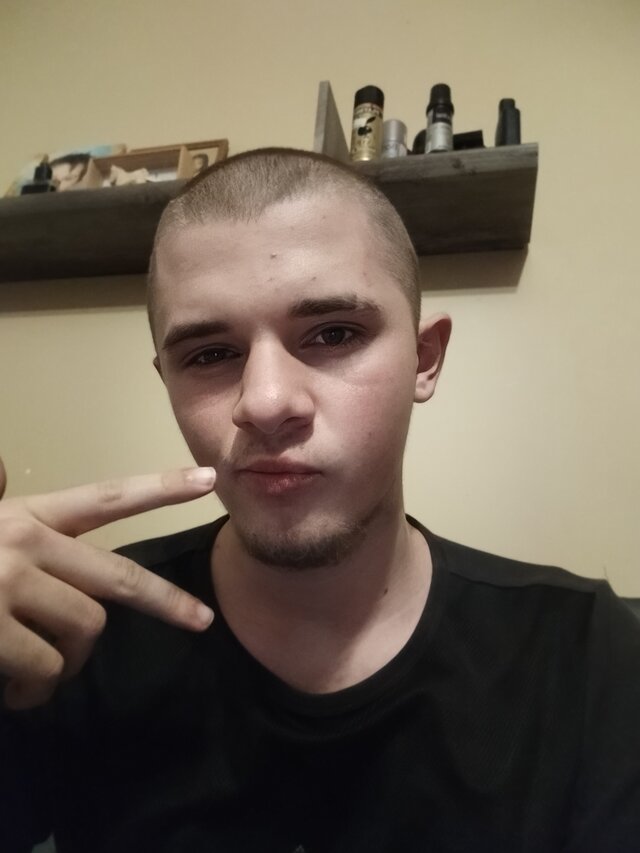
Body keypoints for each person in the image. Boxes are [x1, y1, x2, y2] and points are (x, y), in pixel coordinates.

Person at [0, 148, 638, 853]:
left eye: (334, 334)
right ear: (167, 380)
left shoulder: (589, 656)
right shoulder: (71, 634)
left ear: (425, 360)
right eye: (210, 354)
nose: (266, 402)